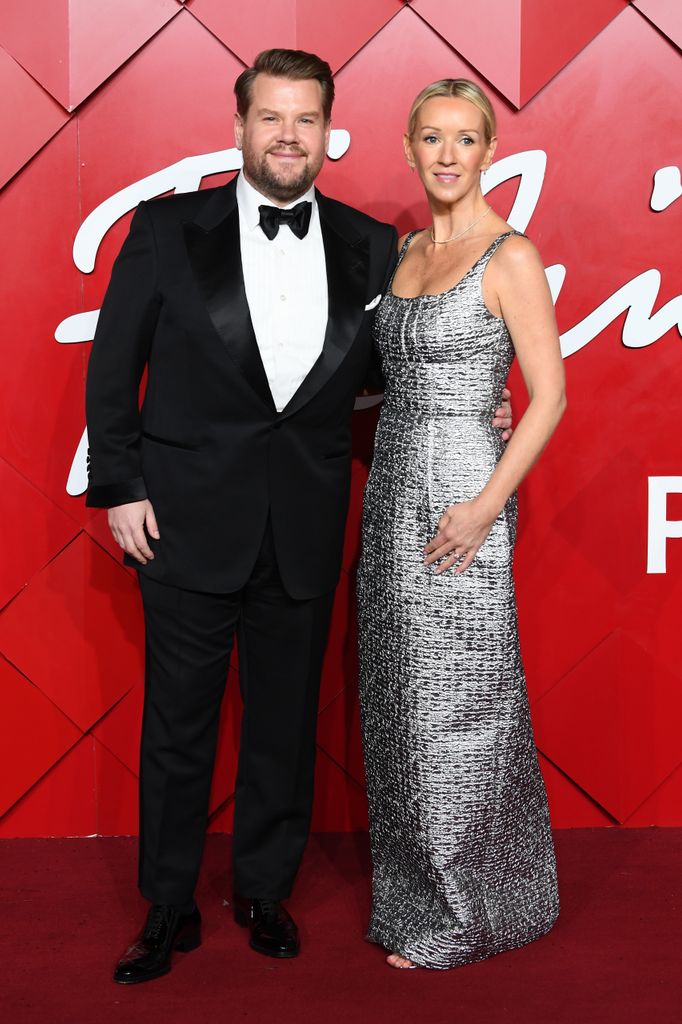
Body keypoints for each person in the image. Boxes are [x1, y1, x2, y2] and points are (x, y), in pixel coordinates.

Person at [86, 51, 512, 984]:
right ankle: (167, 905)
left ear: (328, 132)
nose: (288, 135)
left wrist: (475, 400)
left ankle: (263, 890)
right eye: (272, 117)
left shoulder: (370, 243)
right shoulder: (166, 228)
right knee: (178, 728)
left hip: (305, 524)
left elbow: (392, 364)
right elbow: (113, 366)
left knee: (283, 726)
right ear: (240, 126)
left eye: (306, 119)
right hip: (182, 521)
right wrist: (119, 486)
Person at [357, 79, 566, 970]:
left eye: (466, 138)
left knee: (462, 701)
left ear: (489, 152)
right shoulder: (405, 254)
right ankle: (415, 895)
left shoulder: (510, 255)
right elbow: (390, 376)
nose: (448, 155)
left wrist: (485, 508)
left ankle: (473, 911)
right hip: (392, 493)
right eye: (433, 138)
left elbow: (549, 396)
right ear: (409, 148)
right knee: (400, 699)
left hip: (463, 499)